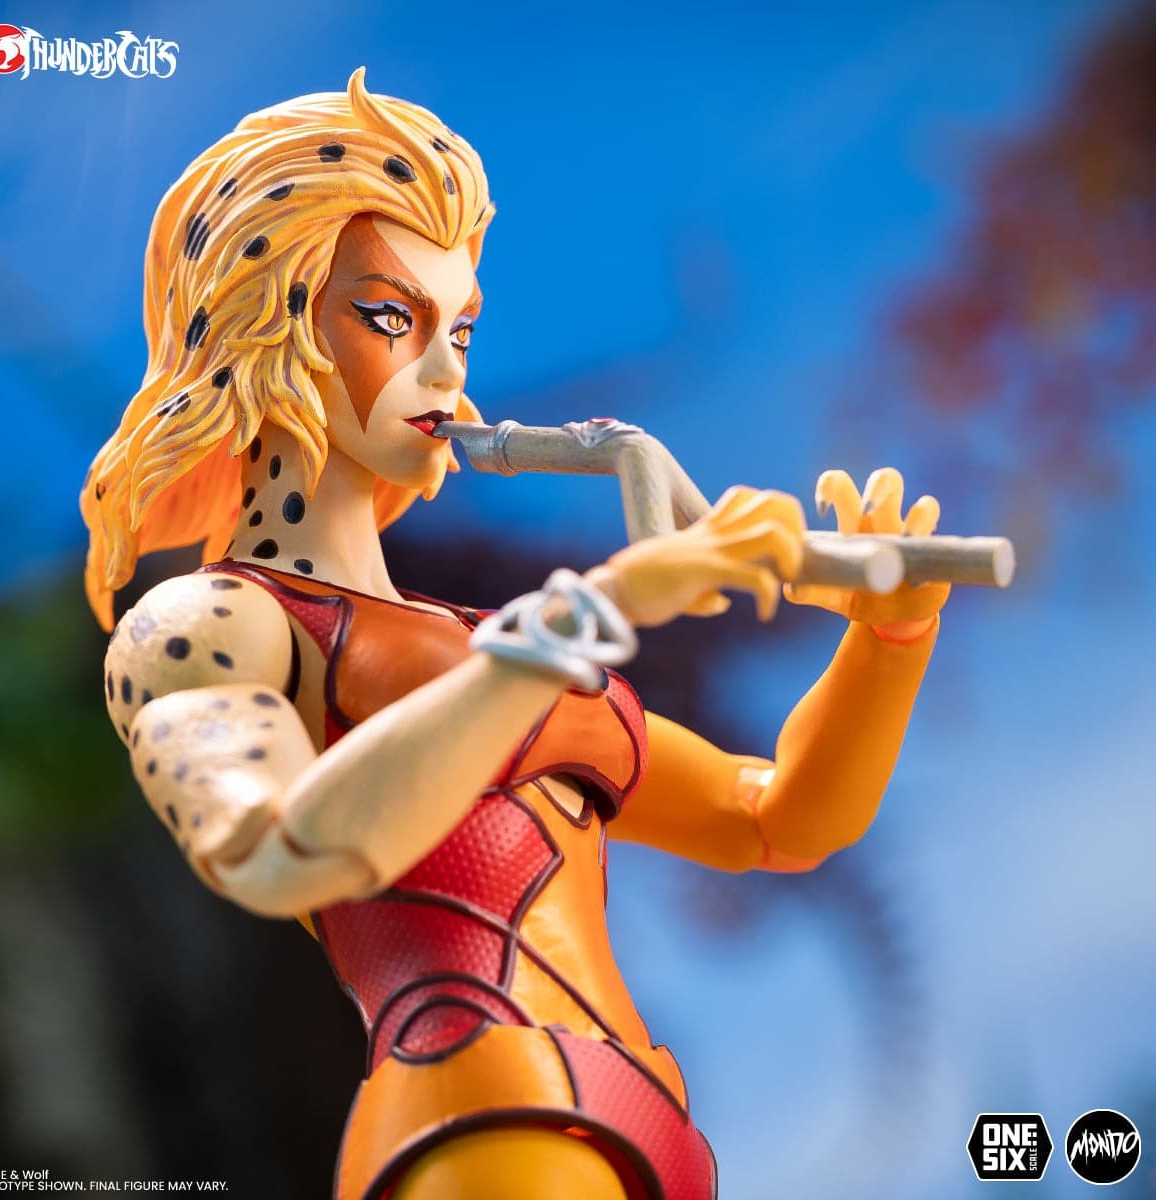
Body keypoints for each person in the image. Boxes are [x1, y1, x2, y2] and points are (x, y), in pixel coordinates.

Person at [81, 69, 949, 1200]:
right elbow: (277, 847)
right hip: (476, 1106)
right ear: (274, 328)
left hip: (646, 1123)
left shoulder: (488, 637)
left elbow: (775, 819)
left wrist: (890, 642)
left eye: (461, 327)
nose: (446, 367)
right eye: (391, 318)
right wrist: (591, 612)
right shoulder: (206, 622)